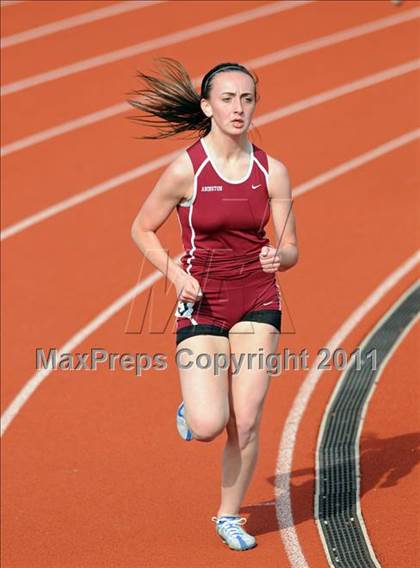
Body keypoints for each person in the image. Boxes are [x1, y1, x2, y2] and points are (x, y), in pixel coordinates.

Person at [129, 58, 299, 551]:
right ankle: (196, 408)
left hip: (258, 299)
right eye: (227, 98)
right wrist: (174, 273)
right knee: (208, 425)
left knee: (245, 420)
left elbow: (292, 248)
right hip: (202, 301)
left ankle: (228, 515)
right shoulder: (187, 169)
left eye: (246, 98)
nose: (238, 108)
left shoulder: (274, 171)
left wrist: (278, 256)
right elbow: (141, 228)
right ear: (207, 106)